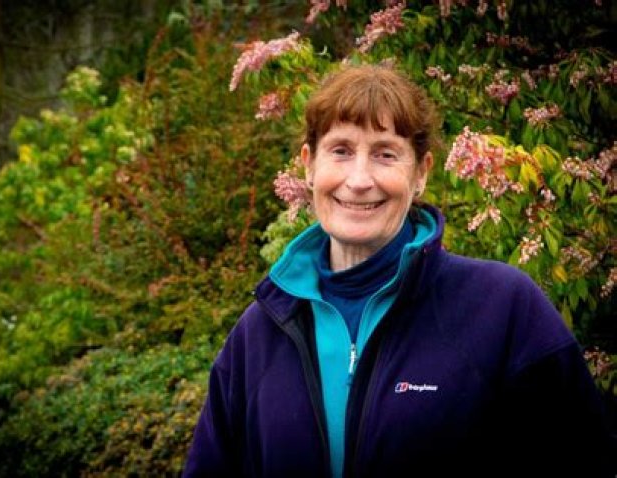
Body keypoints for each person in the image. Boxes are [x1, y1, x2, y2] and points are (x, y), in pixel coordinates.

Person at [183, 65, 613, 477]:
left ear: (421, 173)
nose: (359, 179)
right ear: (309, 166)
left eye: (385, 154)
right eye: (340, 151)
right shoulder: (258, 335)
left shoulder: (503, 309)